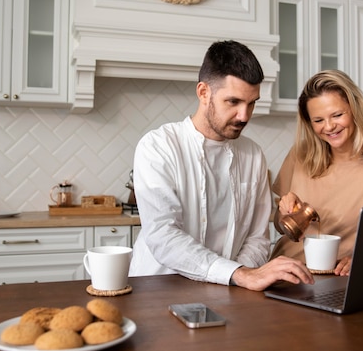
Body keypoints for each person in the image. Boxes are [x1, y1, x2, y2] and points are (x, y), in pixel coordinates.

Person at [128, 40, 313, 291]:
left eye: (251, 103)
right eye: (233, 102)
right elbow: (163, 236)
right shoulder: (158, 147)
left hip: (228, 291)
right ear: (204, 93)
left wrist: (239, 278)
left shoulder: (253, 155)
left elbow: (257, 238)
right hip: (158, 289)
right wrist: (238, 274)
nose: (244, 116)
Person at [271, 69, 363, 276]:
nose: (329, 127)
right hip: (286, 273)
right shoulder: (300, 155)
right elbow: (278, 225)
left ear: (355, 110)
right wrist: (283, 213)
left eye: (337, 115)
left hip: (341, 278)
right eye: (318, 120)